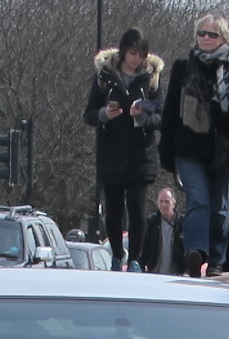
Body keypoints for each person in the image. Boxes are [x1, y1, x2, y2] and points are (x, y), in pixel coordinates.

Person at [160, 13, 229, 278]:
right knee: (198, 199)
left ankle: (217, 258)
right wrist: (166, 149)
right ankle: (195, 253)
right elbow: (170, 112)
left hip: (224, 147)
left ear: (223, 38)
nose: (206, 39)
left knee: (218, 204)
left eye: (212, 34)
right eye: (202, 33)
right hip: (190, 146)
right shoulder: (183, 67)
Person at [84, 28, 165, 273]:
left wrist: (142, 118)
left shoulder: (152, 78)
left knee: (138, 206)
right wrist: (104, 115)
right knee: (114, 208)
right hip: (112, 151)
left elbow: (162, 115)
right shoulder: (104, 76)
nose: (136, 59)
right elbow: (88, 114)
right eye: (132, 53)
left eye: (141, 54)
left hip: (140, 153)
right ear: (123, 51)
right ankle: (117, 254)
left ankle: (137, 259)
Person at [139, 187, 186, 275]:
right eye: (161, 201)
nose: (164, 205)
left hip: (177, 275)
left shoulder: (183, 223)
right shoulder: (150, 222)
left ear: (174, 203)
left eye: (167, 201)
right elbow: (143, 249)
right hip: (154, 274)